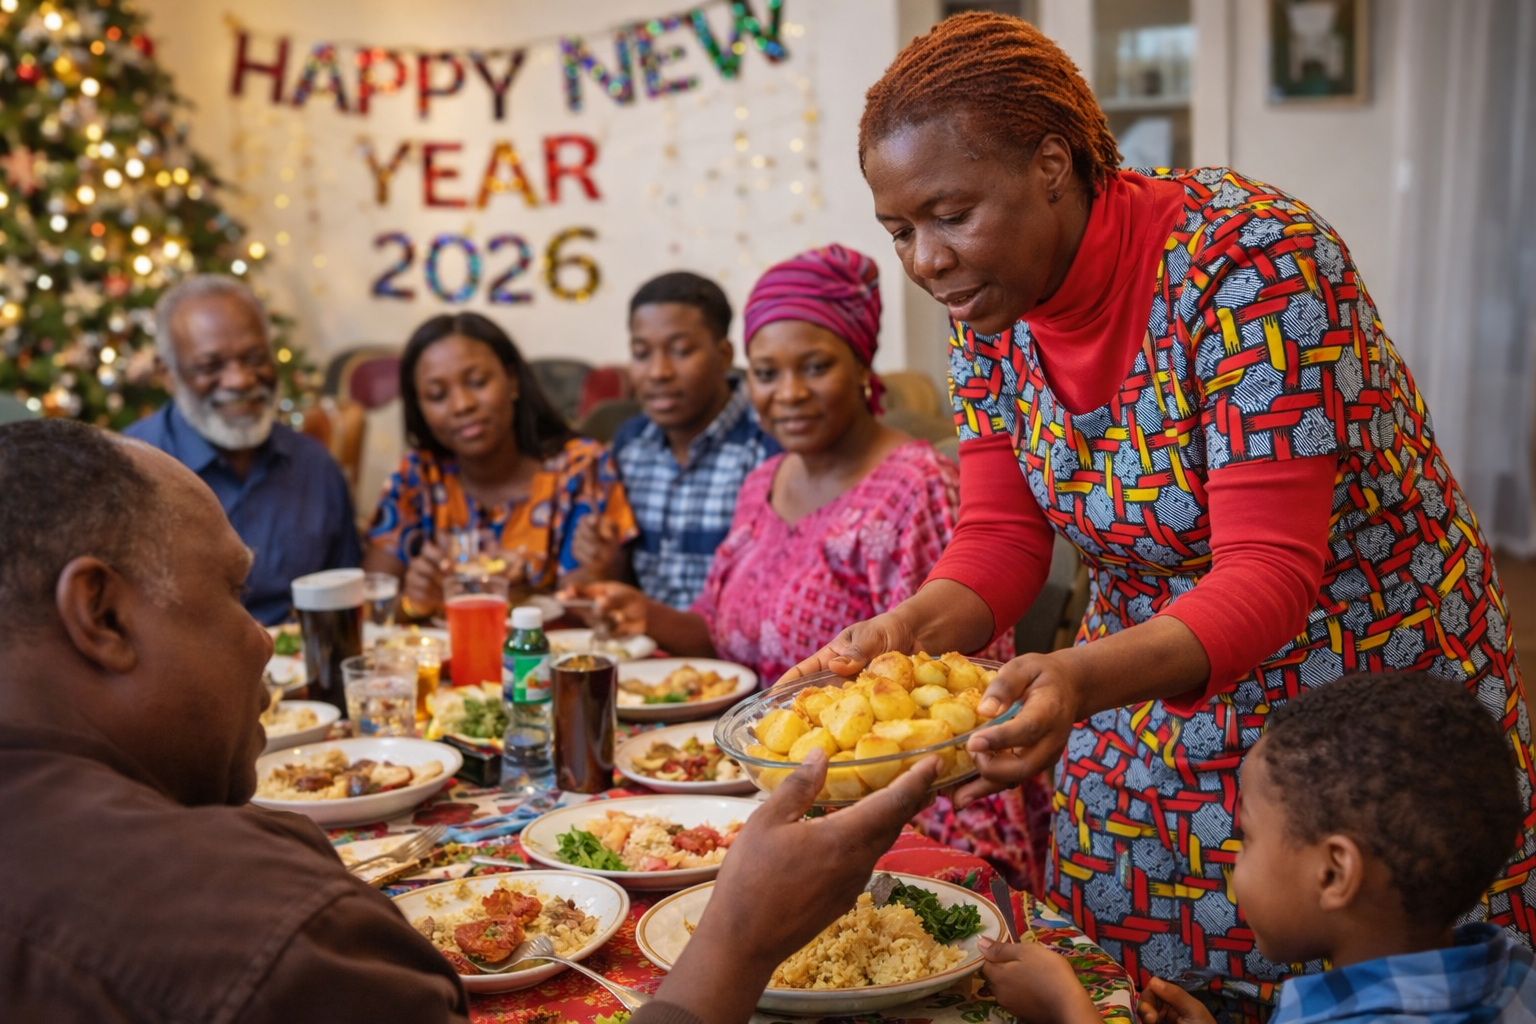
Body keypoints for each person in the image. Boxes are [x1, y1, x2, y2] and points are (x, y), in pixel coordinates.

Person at [786, 12, 1533, 1019]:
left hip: (1353, 694)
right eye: (900, 230)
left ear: (1053, 164)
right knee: (1130, 978)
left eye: (951, 214)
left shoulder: (1254, 266)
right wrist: (909, 628)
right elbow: (1004, 540)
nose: (926, 258)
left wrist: (1077, 679)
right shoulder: (994, 312)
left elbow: (1270, 570)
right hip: (1135, 681)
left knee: (1349, 976)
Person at [0, 417, 942, 1024]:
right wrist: (738, 934)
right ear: (104, 616)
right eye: (235, 596)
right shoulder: (261, 927)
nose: (263, 644)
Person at [983, 673, 1533, 1024]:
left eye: (1245, 838)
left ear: (1333, 873)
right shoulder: (1512, 972)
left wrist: (1068, 1010)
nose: (1231, 865)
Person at [363, 313, 637, 619]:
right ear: (420, 408)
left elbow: (591, 616)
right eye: (437, 395)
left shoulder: (579, 469)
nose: (462, 404)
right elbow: (371, 609)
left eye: (478, 382)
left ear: (512, 379)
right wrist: (415, 601)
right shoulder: (419, 475)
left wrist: (528, 597)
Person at [123, 274, 360, 625]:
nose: (240, 380)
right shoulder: (126, 471)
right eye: (211, 366)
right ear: (167, 373)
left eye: (254, 358)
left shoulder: (316, 468)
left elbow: (345, 600)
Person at [596, 271, 779, 610]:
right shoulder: (629, 444)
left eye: (680, 351)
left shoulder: (768, 441)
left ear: (724, 355)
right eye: (641, 353)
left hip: (734, 653)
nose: (658, 372)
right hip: (644, 650)